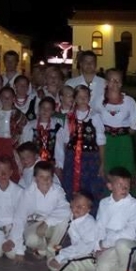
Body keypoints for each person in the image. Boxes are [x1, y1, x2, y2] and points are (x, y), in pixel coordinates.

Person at [24, 190, 100, 271]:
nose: (78, 208)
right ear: (71, 203)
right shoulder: (70, 217)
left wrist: (61, 255)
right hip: (78, 256)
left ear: (88, 210)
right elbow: (58, 214)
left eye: (82, 207)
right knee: (56, 262)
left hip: (90, 258)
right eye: (76, 204)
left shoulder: (89, 223)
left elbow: (85, 247)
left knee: (67, 262)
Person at [54, 84, 106, 212]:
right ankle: (70, 213)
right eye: (79, 97)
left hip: (90, 158)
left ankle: (90, 215)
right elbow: (65, 140)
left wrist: (102, 162)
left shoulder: (95, 116)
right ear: (75, 99)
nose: (83, 99)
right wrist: (64, 161)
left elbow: (101, 141)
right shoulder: (70, 117)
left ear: (89, 97)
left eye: (85, 96)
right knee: (70, 184)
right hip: (72, 157)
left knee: (90, 186)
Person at [12, 161, 71, 260]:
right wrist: (19, 250)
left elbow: (65, 208)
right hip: (35, 224)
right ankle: (43, 248)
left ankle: (52, 250)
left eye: (48, 177)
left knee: (65, 219)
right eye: (41, 177)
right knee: (31, 240)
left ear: (52, 178)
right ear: (35, 179)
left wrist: (46, 223)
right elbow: (19, 218)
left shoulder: (57, 190)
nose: (45, 180)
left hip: (50, 224)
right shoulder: (28, 194)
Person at [97, 69, 136, 187]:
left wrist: (123, 134)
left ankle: (126, 196)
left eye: (118, 80)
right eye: (111, 80)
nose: (115, 83)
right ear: (106, 82)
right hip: (106, 141)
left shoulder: (129, 102)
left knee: (125, 171)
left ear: (122, 83)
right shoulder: (99, 101)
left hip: (123, 142)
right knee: (108, 170)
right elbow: (95, 121)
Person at [0, 86, 27, 182]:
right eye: (4, 97)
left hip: (12, 146)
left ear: (13, 98)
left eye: (9, 97)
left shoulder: (19, 115)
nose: (6, 99)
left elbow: (22, 133)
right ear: (0, 98)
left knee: (13, 169)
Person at [21, 97, 63, 165]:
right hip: (33, 163)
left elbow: (59, 149)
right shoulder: (30, 126)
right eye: (43, 107)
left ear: (52, 112)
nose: (45, 110)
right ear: (39, 109)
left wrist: (59, 165)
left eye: (48, 109)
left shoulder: (56, 127)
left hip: (51, 164)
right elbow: (25, 146)